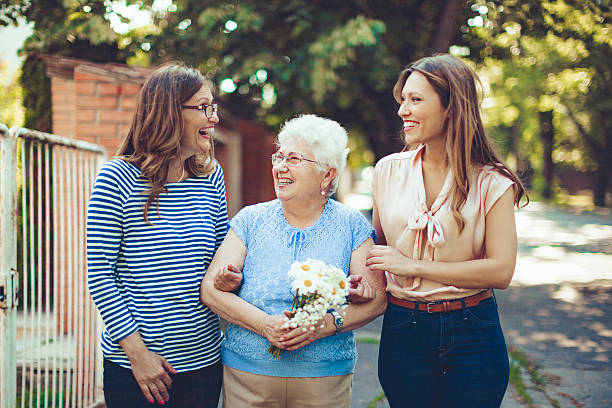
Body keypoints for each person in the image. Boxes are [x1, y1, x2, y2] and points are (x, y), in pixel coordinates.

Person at [367, 54, 528, 407]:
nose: (402, 110)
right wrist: (357, 281)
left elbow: (500, 271)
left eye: (415, 100)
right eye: (402, 100)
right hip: (403, 330)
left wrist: (414, 266)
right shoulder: (387, 171)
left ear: (451, 106)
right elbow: (375, 250)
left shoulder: (492, 182)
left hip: (474, 333)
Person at [200, 114, 387, 408]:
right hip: (248, 375)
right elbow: (210, 289)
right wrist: (265, 325)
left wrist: (324, 325)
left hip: (324, 378)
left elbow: (377, 299)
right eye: (279, 157)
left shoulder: (352, 225)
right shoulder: (250, 220)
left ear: (327, 174)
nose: (280, 167)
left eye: (294, 159)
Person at [87, 64, 227, 408]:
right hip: (138, 370)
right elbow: (101, 275)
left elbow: (223, 261)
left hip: (204, 363)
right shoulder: (115, 179)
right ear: (170, 112)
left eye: (214, 107)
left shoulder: (211, 177)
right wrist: (138, 356)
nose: (214, 118)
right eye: (204, 107)